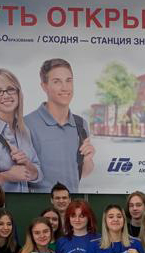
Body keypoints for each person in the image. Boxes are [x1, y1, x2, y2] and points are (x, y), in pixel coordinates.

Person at [25, 58, 96, 192]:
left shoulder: (81, 124)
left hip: (71, 203)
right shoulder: (27, 124)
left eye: (68, 81)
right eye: (57, 81)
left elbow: (83, 173)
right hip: (39, 204)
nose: (65, 88)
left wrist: (88, 159)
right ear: (44, 86)